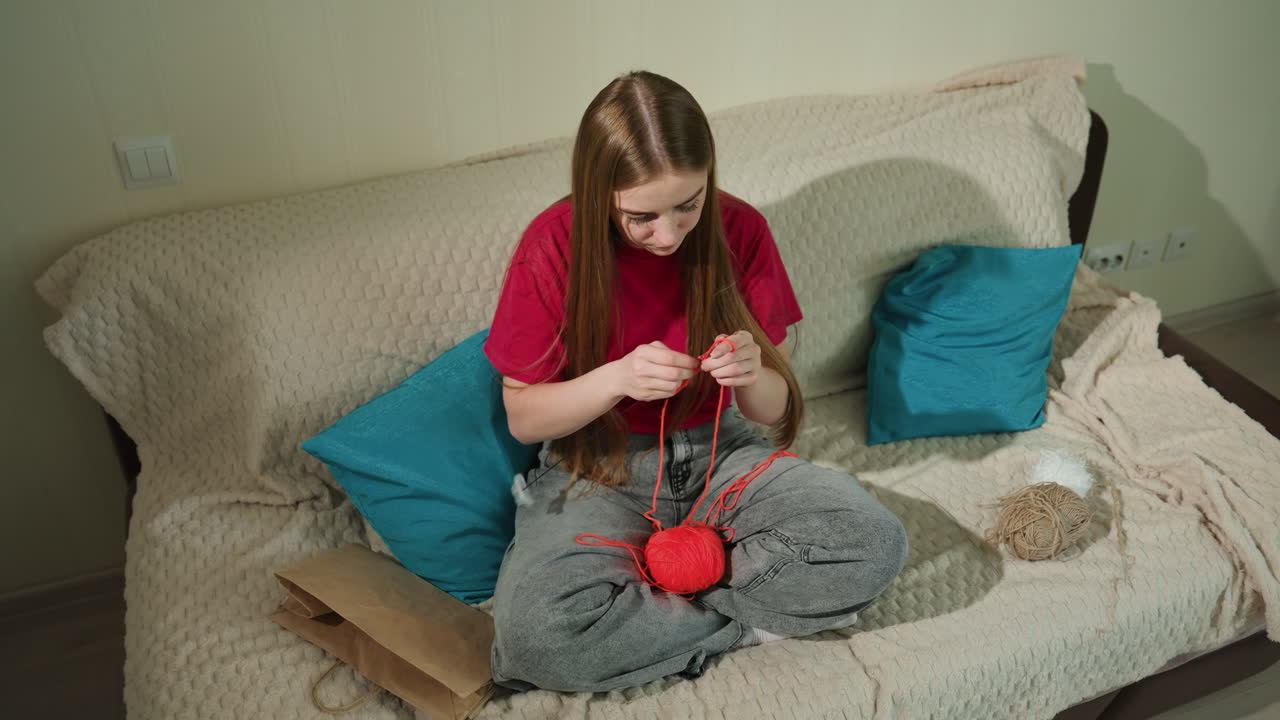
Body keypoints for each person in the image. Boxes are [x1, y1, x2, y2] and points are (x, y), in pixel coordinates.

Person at [483, 70, 907, 693]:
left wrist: (752, 372)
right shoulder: (551, 246)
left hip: (723, 454)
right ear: (599, 192)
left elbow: (774, 411)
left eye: (689, 204)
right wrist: (615, 378)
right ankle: (753, 621)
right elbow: (523, 416)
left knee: (875, 541)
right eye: (642, 217)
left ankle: (661, 624)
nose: (670, 235)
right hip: (597, 468)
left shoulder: (741, 231)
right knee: (535, 638)